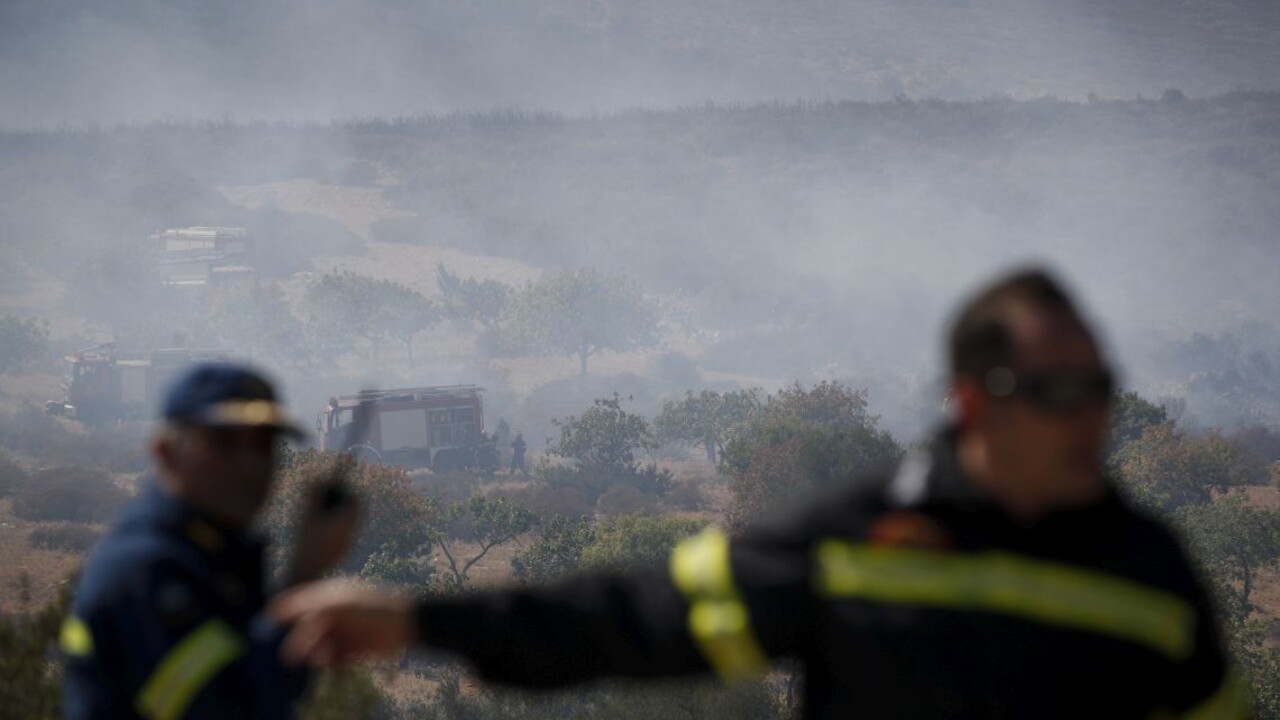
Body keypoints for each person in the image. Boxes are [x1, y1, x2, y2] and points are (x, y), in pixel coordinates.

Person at [272, 269, 1249, 719]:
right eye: (1053, 393)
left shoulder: (1150, 573)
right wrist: (417, 620)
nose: (1088, 417)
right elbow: (630, 618)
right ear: (971, 401)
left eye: (1097, 388)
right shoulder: (855, 541)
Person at [62, 363, 359, 720]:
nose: (250, 465)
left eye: (263, 444)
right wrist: (304, 571)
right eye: (224, 442)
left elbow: (254, 672)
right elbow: (233, 703)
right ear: (166, 452)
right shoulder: (148, 570)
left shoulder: (213, 554)